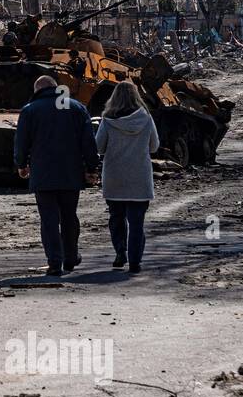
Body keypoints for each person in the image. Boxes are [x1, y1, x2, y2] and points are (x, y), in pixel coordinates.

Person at [14, 75, 100, 277]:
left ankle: (55, 262)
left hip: (43, 174)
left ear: (38, 91)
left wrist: (21, 164)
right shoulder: (77, 108)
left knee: (49, 219)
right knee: (70, 216)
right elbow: (88, 141)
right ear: (55, 87)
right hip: (71, 173)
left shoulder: (29, 110)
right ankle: (70, 257)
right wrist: (92, 168)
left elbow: (21, 141)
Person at [95, 81, 160, 274]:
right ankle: (135, 262)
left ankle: (120, 252)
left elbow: (98, 147)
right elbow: (154, 146)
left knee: (116, 218)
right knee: (137, 222)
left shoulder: (107, 120)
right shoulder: (146, 118)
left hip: (115, 177)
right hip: (139, 177)